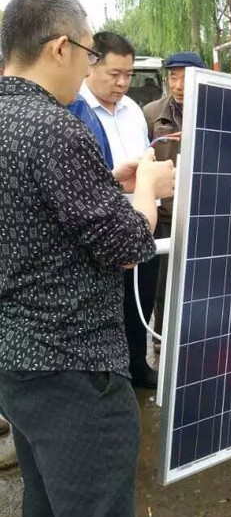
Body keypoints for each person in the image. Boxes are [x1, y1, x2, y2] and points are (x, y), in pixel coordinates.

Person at [0, 0, 174, 517]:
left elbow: (40, 211)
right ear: (59, 47)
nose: (90, 65)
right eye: (89, 52)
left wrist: (107, 183)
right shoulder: (54, 128)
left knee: (47, 515)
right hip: (73, 368)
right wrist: (147, 186)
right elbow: (128, 243)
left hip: (16, 361)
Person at [81, 32, 158, 388]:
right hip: (103, 232)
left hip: (142, 224)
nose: (123, 82)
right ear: (91, 64)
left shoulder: (134, 112)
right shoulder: (74, 113)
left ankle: (139, 368)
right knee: (108, 309)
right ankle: (114, 376)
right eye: (115, 74)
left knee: (140, 303)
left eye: (128, 74)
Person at [143, 51, 205, 350]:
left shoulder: (215, 109)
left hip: (203, 212)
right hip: (167, 213)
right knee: (162, 282)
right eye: (173, 76)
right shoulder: (152, 113)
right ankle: (162, 340)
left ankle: (196, 334)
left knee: (202, 277)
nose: (179, 84)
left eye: (185, 76)